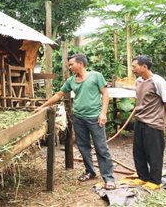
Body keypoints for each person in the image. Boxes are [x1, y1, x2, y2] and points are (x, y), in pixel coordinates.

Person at [35, 53, 115, 190]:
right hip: (79, 118)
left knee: (101, 147)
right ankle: (90, 171)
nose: (70, 67)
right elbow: (59, 95)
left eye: (71, 64)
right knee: (83, 146)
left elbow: (105, 94)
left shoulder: (96, 76)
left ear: (81, 64)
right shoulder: (71, 80)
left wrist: (103, 113)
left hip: (95, 118)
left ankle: (108, 178)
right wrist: (42, 106)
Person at [131, 55, 166, 190]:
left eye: (134, 66)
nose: (132, 69)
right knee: (138, 150)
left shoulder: (158, 82)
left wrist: (162, 117)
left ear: (144, 67)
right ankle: (142, 177)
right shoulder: (138, 81)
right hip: (140, 120)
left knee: (154, 152)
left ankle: (155, 181)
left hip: (154, 122)